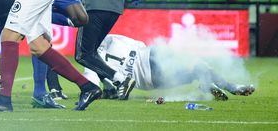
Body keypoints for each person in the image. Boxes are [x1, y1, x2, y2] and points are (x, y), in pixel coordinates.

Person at [84, 34, 255, 101]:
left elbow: (93, 86)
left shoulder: (90, 63)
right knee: (196, 66)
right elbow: (139, 44)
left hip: (152, 81)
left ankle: (228, 86)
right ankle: (225, 86)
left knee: (196, 68)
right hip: (150, 58)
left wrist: (107, 91)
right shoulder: (109, 38)